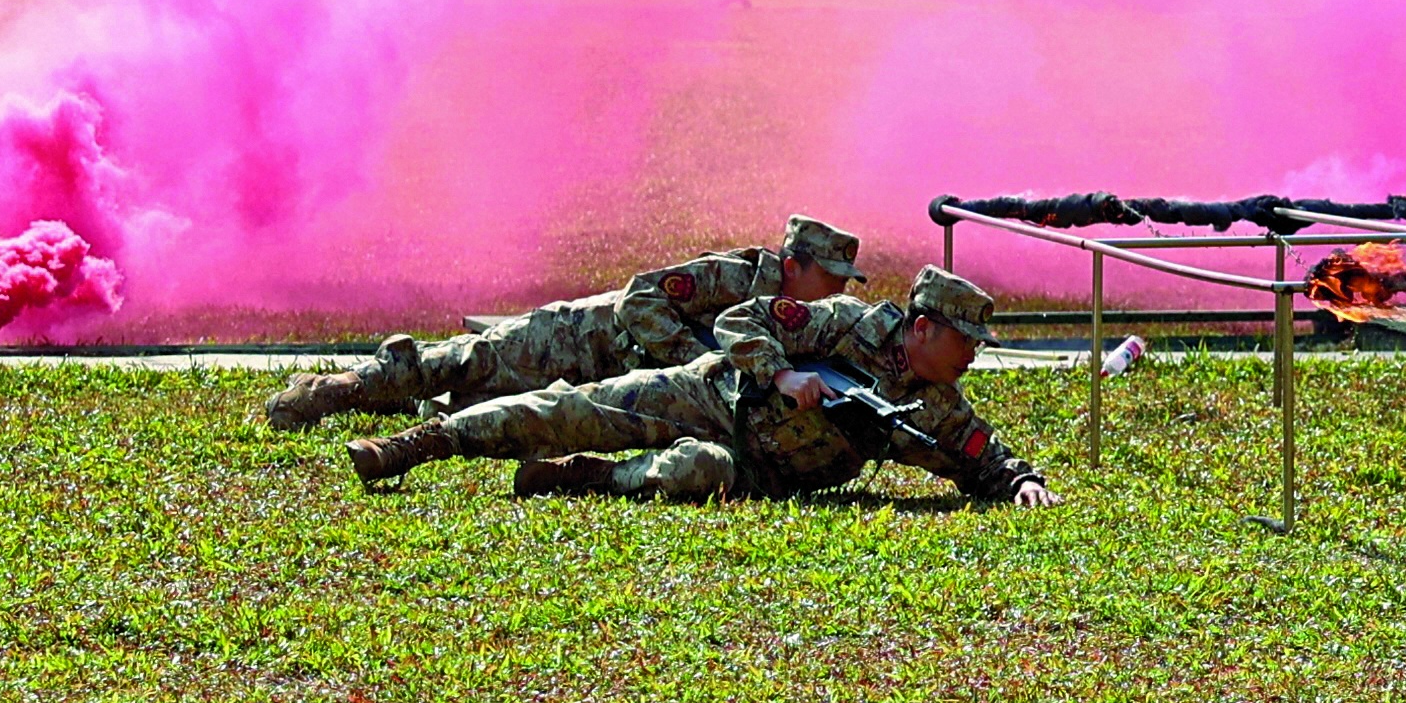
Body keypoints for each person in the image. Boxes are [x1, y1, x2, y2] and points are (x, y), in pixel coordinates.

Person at [345, 265, 1056, 508]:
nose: (972, 355)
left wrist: (1018, 480)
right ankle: (423, 441)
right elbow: (743, 316)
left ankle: (585, 478)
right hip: (714, 394)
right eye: (966, 340)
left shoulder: (932, 406)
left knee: (693, 472)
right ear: (925, 326)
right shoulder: (842, 324)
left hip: (750, 469)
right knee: (572, 408)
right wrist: (784, 370)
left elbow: (978, 456)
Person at [258, 214, 864, 430]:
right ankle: (334, 392)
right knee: (461, 362)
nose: (837, 290)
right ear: (793, 264)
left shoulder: (794, 320)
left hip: (605, 384)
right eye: (830, 277)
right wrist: (692, 359)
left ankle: (409, 408)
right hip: (577, 338)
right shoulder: (732, 277)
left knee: (477, 406)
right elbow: (639, 301)